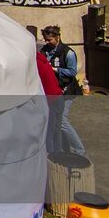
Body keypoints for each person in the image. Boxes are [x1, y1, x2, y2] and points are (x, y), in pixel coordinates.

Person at [40, 26, 85, 155]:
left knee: (62, 122)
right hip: (54, 91)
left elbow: (72, 72)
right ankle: (58, 149)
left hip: (67, 91)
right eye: (46, 40)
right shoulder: (45, 51)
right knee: (54, 122)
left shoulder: (68, 53)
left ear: (57, 37)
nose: (47, 42)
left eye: (50, 39)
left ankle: (79, 150)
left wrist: (54, 70)